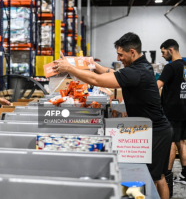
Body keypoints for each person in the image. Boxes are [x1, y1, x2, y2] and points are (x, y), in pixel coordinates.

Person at [53, 32, 172, 199]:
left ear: (132, 52)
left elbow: (97, 81)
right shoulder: (141, 66)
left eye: (120, 54)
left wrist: (70, 68)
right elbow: (113, 72)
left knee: (152, 178)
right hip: (155, 128)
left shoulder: (136, 72)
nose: (118, 58)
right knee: (157, 177)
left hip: (156, 131)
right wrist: (95, 66)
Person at [157, 39, 186, 184]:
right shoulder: (185, 66)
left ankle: (167, 176)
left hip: (171, 110)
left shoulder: (171, 67)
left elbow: (157, 85)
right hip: (184, 109)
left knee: (171, 143)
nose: (162, 55)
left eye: (163, 52)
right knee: (182, 141)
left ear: (171, 50)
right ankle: (185, 174)